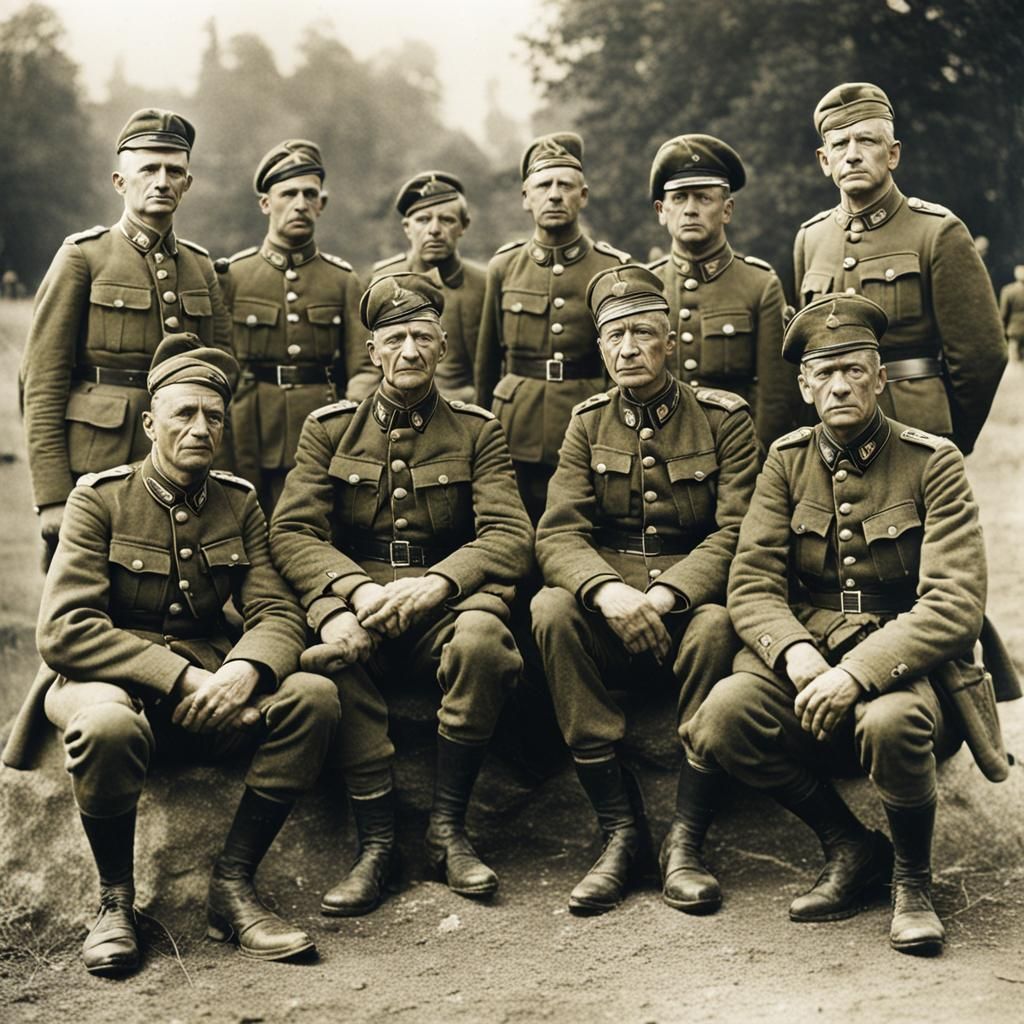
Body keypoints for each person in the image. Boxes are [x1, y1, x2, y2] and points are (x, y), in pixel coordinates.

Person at [683, 293, 1011, 957]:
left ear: (881, 377)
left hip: (905, 665)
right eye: (824, 374)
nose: (840, 385)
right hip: (810, 656)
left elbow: (953, 602)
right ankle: (850, 846)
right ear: (804, 386)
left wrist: (857, 674)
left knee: (890, 723)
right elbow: (751, 584)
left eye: (855, 370)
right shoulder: (786, 460)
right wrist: (799, 657)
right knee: (723, 715)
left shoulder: (932, 461)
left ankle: (912, 882)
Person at [3, 334, 341, 974]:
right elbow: (66, 629)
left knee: (313, 697)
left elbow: (276, 611)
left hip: (213, 694)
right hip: (112, 685)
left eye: (213, 416)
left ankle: (233, 886)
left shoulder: (238, 502)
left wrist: (244, 670)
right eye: (184, 414)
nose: (200, 428)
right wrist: (182, 678)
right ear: (149, 422)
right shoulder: (98, 498)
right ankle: (114, 903)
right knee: (103, 724)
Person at [270, 273, 533, 915]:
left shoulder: (477, 430)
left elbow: (510, 533)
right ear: (373, 352)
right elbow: (292, 531)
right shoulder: (328, 429)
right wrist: (350, 596)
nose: (409, 351)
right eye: (395, 339)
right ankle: (377, 845)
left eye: (422, 337)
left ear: (443, 346)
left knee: (484, 642)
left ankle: (448, 830)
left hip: (441, 611)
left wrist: (438, 584)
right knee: (336, 658)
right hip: (360, 606)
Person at [531, 264, 759, 915]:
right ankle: (621, 833)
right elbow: (558, 535)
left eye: (641, 333)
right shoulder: (587, 422)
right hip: (610, 615)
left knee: (718, 623)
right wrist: (606, 592)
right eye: (613, 336)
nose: (626, 348)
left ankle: (685, 842)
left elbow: (738, 531)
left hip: (685, 617)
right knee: (551, 608)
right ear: (599, 346)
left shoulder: (724, 418)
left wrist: (664, 598)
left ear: (671, 342)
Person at [20, 108, 231, 565]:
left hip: (177, 465)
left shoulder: (200, 267)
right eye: (148, 169)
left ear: (187, 184)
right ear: (120, 181)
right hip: (96, 463)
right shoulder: (83, 258)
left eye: (174, 171)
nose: (161, 181)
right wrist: (52, 494)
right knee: (84, 599)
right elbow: (41, 382)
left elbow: (220, 381)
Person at [794, 82, 1006, 456]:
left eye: (867, 141)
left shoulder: (937, 231)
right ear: (824, 161)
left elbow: (982, 355)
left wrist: (948, 437)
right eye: (840, 145)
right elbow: (805, 352)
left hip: (917, 437)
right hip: (835, 440)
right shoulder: (811, 238)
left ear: (892, 154)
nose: (853, 155)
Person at [475, 132, 630, 522]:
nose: (555, 195)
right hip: (516, 424)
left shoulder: (612, 268)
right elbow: (487, 362)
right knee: (514, 525)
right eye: (544, 185)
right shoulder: (504, 267)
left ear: (584, 195)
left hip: (588, 418)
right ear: (526, 199)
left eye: (566, 185)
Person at [216, 140, 377, 513]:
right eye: (288, 193)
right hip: (249, 432)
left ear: (322, 204)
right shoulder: (233, 277)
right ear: (266, 203)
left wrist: (343, 425)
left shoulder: (342, 280)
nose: (300, 204)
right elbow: (218, 364)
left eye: (310, 194)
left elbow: (365, 366)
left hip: (321, 429)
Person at [647, 134, 795, 449]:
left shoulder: (759, 285)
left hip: (735, 457)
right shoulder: (646, 287)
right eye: (679, 198)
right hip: (660, 457)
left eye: (703, 198)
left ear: (726, 210)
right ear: (662, 210)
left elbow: (775, 398)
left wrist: (757, 469)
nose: (690, 210)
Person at [373, 171, 486, 404]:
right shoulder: (383, 279)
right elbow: (368, 366)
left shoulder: (483, 283)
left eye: (446, 220)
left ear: (464, 226)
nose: (434, 230)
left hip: (466, 411)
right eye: (423, 220)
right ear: (407, 227)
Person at [999, 265, 1024, 361]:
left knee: (1014, 361)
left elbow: (1004, 312)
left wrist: (1002, 327)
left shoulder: (1008, 291)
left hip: (1014, 329)